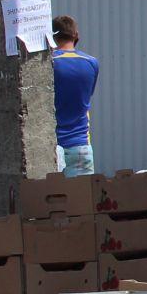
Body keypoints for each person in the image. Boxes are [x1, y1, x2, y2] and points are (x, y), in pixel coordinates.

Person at [51, 15, 100, 177]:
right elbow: (87, 95)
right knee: (82, 199)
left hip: (52, 146)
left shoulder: (49, 64)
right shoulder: (91, 63)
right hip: (80, 145)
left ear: (52, 36)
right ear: (76, 35)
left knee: (51, 200)